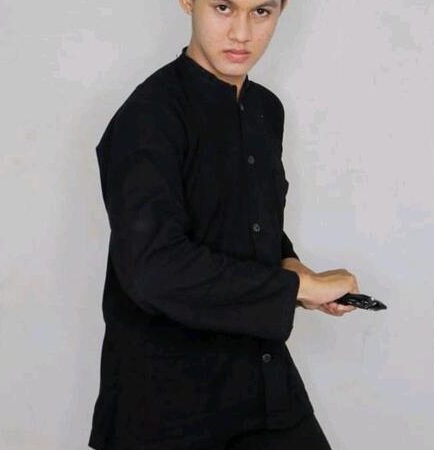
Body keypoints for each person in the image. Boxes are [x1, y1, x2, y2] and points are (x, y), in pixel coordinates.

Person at [89, 1, 360, 448]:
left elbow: (250, 220)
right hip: (168, 409)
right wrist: (295, 289)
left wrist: (291, 265)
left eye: (261, 12)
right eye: (223, 7)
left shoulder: (266, 110)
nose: (241, 32)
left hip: (264, 386)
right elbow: (152, 269)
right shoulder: (147, 116)